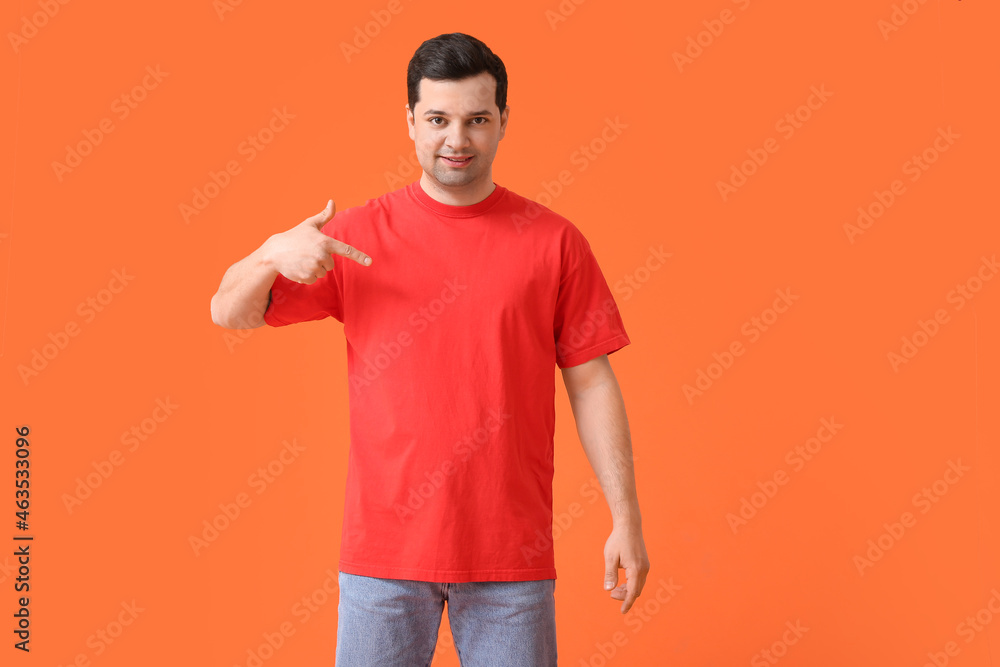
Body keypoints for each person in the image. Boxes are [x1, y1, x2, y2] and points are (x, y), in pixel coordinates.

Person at [210, 31, 649, 666]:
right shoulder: (356, 235)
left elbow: (591, 382)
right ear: (410, 121)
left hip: (510, 559)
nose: (457, 140)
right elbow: (227, 311)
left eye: (477, 120)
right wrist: (270, 254)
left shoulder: (553, 242)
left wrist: (625, 518)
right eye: (438, 119)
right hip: (382, 559)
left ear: (503, 122)